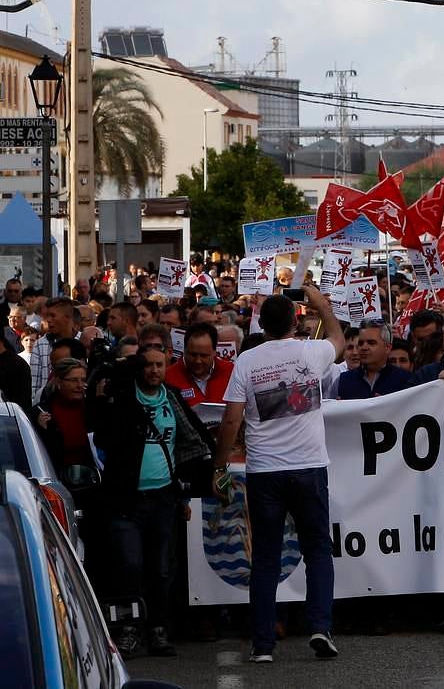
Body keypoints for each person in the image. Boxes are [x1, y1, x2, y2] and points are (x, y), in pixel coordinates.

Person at [212, 284, 345, 663]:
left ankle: (263, 644)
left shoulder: (247, 361)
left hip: (265, 471)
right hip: (308, 468)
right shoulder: (311, 351)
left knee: (266, 558)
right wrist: (322, 305)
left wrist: (220, 465)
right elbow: (338, 338)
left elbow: (231, 419)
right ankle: (320, 627)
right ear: (294, 321)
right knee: (318, 550)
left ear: (261, 324)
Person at [97, 345, 215, 658]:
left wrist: (186, 490)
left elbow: (193, 442)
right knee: (129, 566)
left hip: (163, 497)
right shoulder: (122, 398)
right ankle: (130, 628)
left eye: (159, 365)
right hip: (126, 499)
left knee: (161, 569)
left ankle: (159, 628)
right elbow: (102, 435)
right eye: (147, 365)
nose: (153, 371)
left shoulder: (173, 398)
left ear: (167, 366)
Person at [336, 322, 412, 400]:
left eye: (371, 343)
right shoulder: (343, 380)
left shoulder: (406, 380)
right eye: (361, 343)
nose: (364, 347)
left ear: (387, 347)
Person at [164, 322, 234, 406]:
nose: (198, 361)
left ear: (215, 351)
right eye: (193, 355)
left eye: (204, 355)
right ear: (184, 350)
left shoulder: (232, 372)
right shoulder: (167, 377)